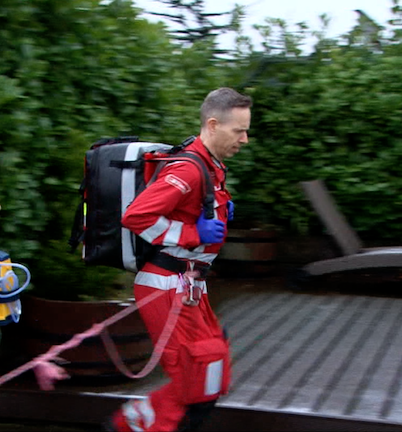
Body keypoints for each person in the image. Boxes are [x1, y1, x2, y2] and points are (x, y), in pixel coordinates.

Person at [106, 87, 252, 431]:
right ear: (213, 125)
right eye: (239, 130)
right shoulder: (190, 169)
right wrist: (192, 235)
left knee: (212, 371)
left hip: (187, 287)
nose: (245, 139)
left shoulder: (210, 166)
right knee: (196, 383)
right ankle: (129, 424)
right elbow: (135, 216)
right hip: (166, 287)